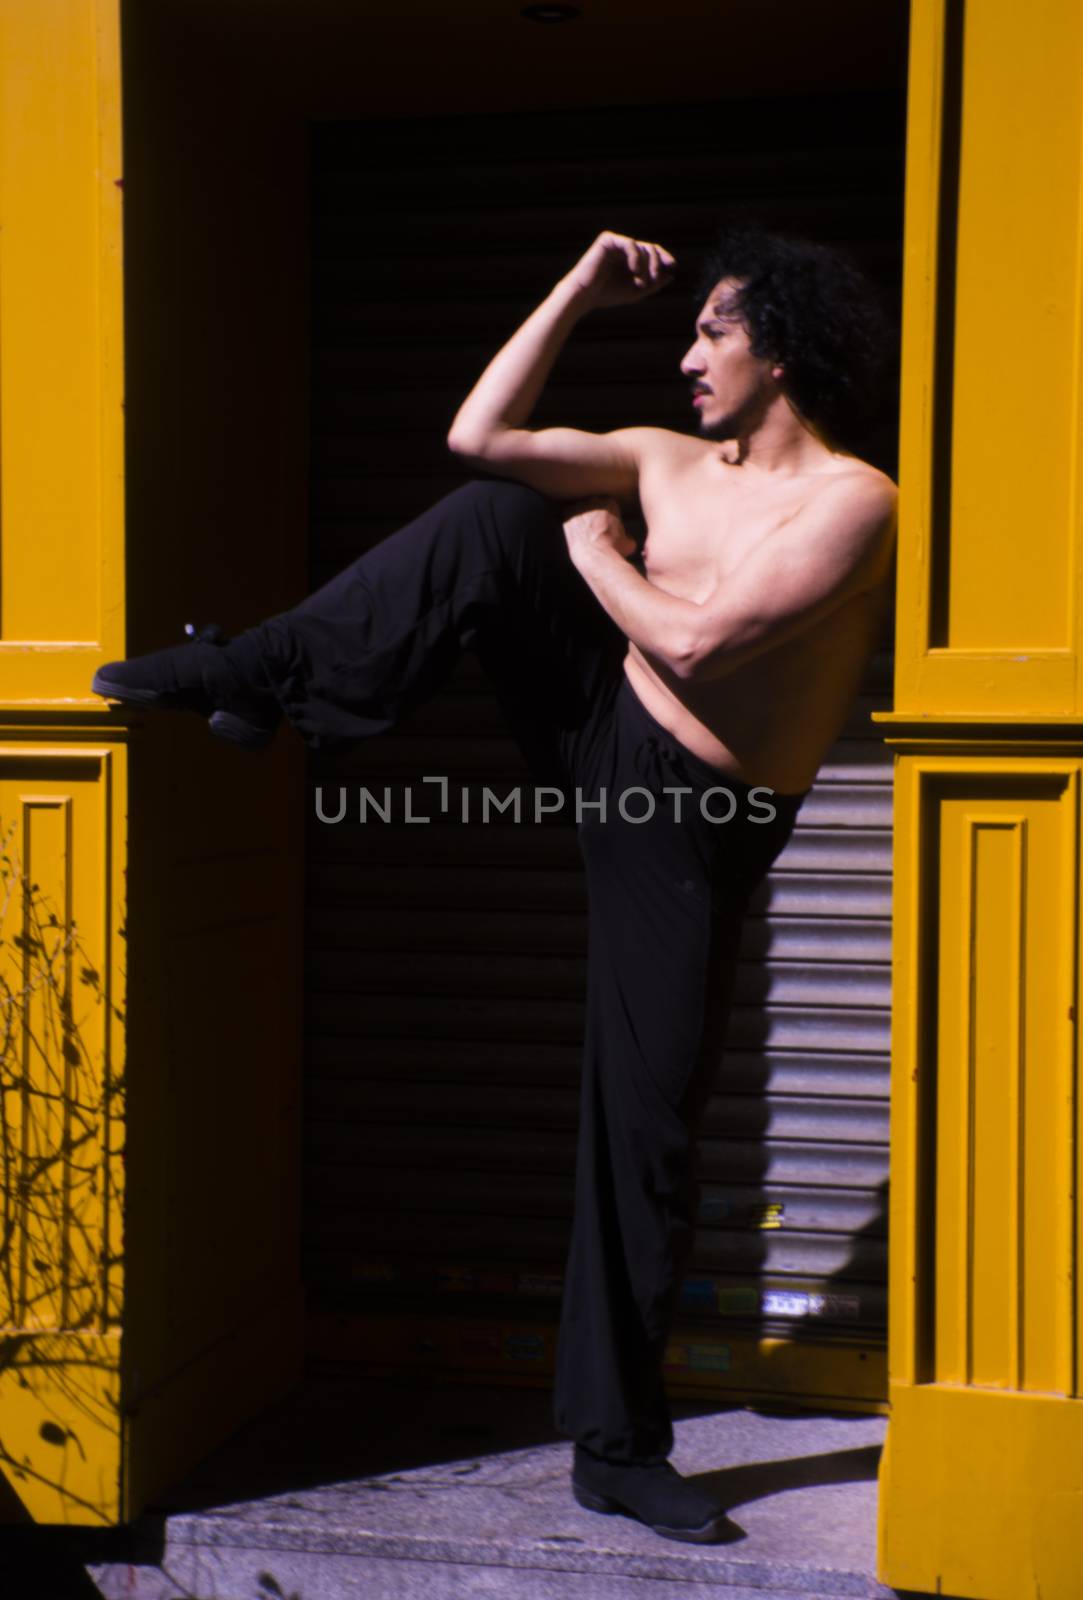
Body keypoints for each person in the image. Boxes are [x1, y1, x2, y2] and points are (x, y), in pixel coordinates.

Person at [92, 223, 897, 1545]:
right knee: (484, 517)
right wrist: (577, 289)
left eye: (715, 330)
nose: (689, 353)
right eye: (687, 328)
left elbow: (697, 640)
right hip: (598, 719)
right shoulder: (660, 456)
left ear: (785, 350)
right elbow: (478, 436)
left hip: (688, 813)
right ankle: (254, 677)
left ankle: (616, 1448)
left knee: (643, 1126)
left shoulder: (853, 501)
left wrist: (596, 560)